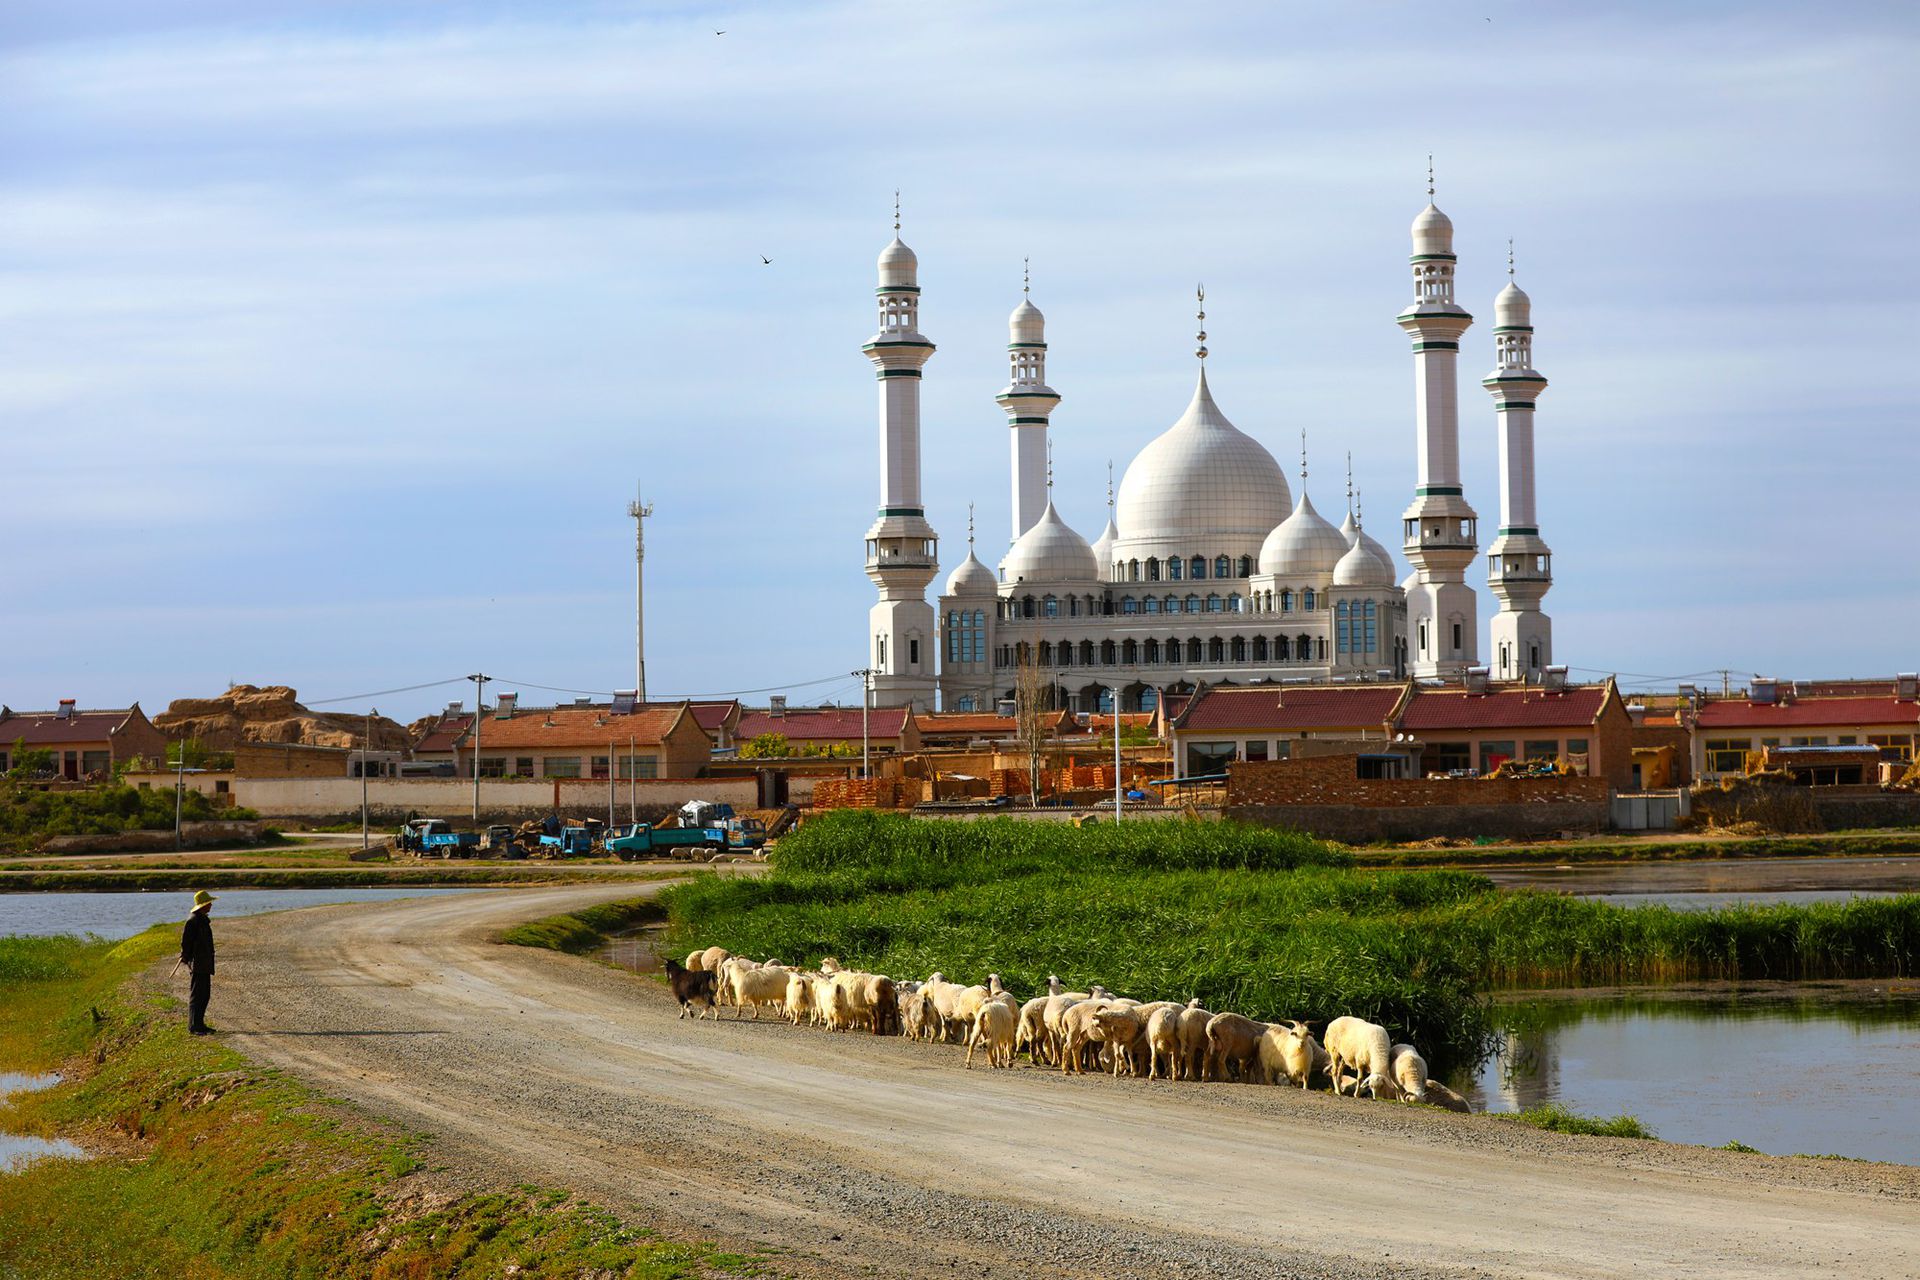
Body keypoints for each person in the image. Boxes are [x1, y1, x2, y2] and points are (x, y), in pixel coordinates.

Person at [180, 889, 217, 1035]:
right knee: (197, 995)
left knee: (204, 995)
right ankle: (194, 1026)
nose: (211, 906)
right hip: (198, 963)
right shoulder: (193, 920)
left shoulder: (201, 919)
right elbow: (186, 942)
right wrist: (185, 956)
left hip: (204, 963)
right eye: (209, 903)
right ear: (203, 905)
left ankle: (200, 1024)